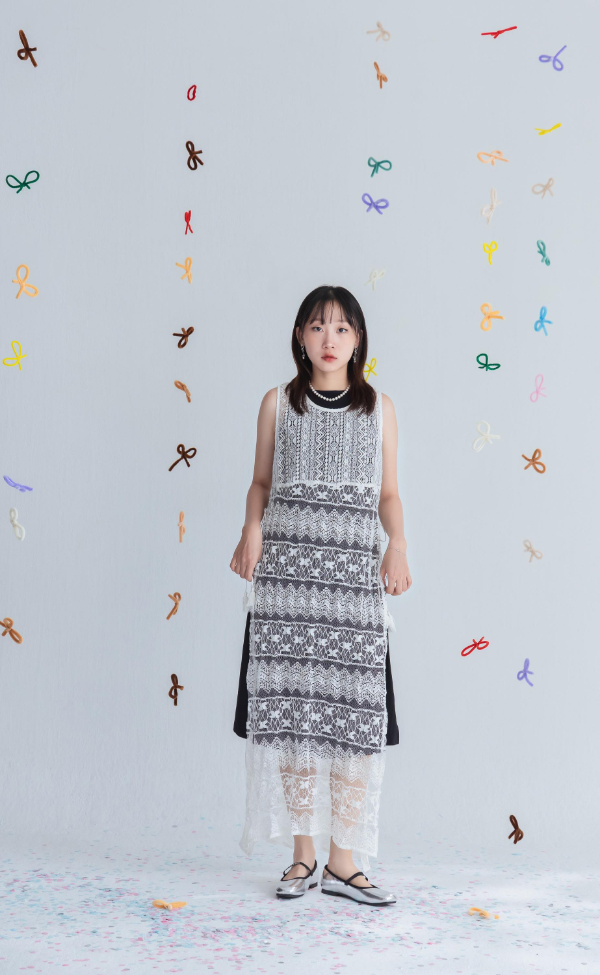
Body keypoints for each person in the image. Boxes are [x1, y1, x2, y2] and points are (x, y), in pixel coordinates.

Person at [230, 285, 412, 905]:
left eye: (341, 328)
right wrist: (251, 528)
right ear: (299, 337)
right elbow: (260, 482)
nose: (329, 339)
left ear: (358, 339)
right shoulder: (277, 404)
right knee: (296, 715)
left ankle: (344, 862)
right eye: (316, 326)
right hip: (288, 586)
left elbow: (388, 493)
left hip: (352, 586)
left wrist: (398, 544)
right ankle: (302, 856)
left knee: (351, 717)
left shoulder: (380, 409)